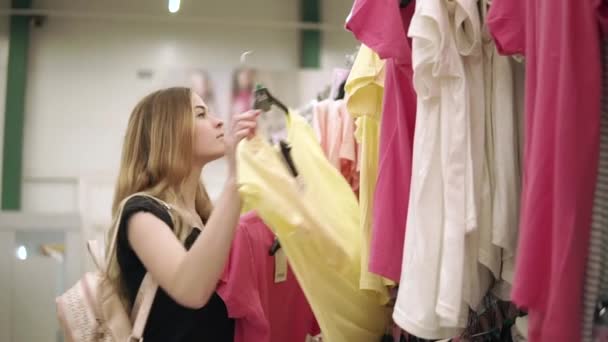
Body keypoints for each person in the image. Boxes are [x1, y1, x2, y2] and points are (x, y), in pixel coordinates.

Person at [104, 87, 260, 341]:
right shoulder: (141, 213)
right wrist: (235, 180)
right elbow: (191, 289)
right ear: (169, 133)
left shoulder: (203, 216)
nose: (219, 121)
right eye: (200, 114)